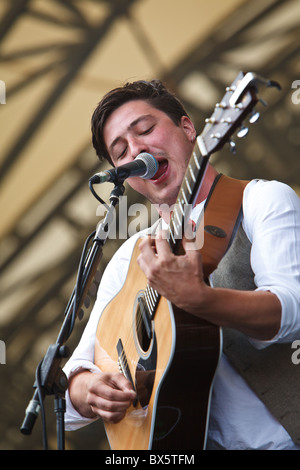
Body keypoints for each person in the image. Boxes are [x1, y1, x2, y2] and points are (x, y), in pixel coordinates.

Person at [63, 79, 300, 450]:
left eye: (145, 130)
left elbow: (292, 311)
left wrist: (200, 299)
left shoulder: (261, 200)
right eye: (121, 151)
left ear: (189, 130)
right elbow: (70, 390)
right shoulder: (130, 257)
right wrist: (88, 389)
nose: (138, 149)